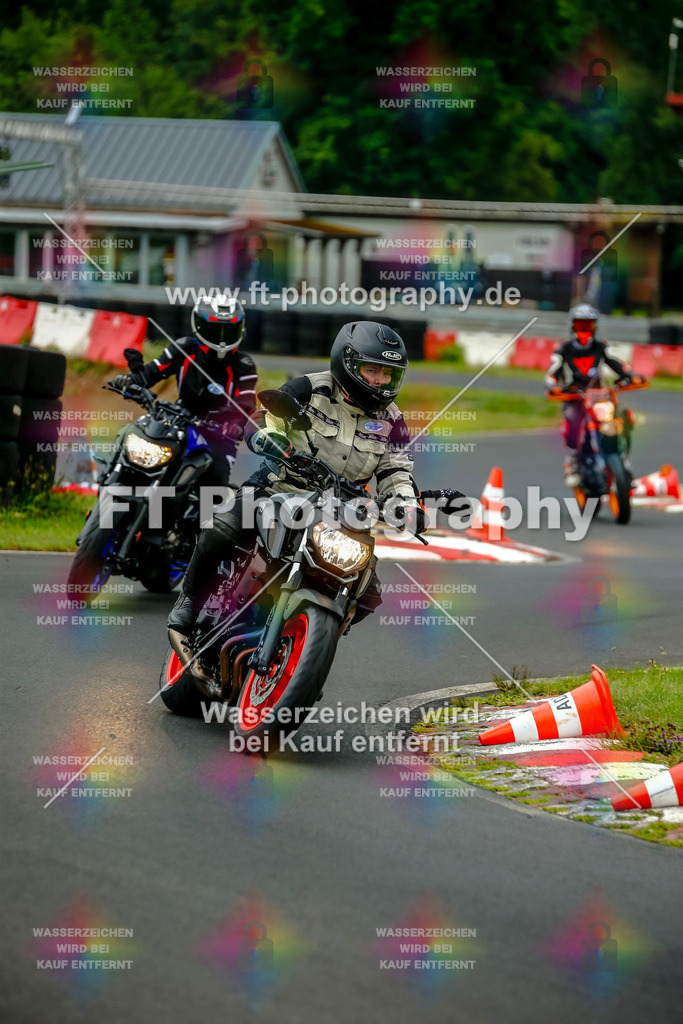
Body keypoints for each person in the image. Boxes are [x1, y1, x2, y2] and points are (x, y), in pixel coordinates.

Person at [167, 320, 427, 637]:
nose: (381, 380)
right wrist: (270, 438)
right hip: (279, 487)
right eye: (373, 370)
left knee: (368, 591)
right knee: (221, 528)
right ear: (347, 363)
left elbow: (396, 469)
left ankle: (307, 639)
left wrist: (406, 504)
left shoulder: (393, 420)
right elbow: (267, 417)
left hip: (341, 512)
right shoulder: (309, 388)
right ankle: (189, 601)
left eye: (389, 374)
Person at [112, 295, 257, 486]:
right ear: (199, 325)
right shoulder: (184, 348)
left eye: (228, 330)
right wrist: (130, 380)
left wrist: (235, 423)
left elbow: (246, 404)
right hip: (176, 420)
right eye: (215, 329)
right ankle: (112, 483)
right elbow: (153, 371)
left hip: (218, 432)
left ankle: (204, 514)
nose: (221, 338)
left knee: (216, 476)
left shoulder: (244, 364)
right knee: (132, 440)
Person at [544, 303, 640, 486]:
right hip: (574, 398)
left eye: (589, 325)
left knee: (623, 417)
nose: (585, 330)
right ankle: (571, 461)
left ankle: (625, 463)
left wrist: (630, 376)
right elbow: (552, 373)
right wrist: (552, 385)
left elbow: (617, 363)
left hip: (601, 397)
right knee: (572, 419)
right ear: (573, 326)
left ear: (594, 327)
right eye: (581, 325)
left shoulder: (601, 347)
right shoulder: (563, 350)